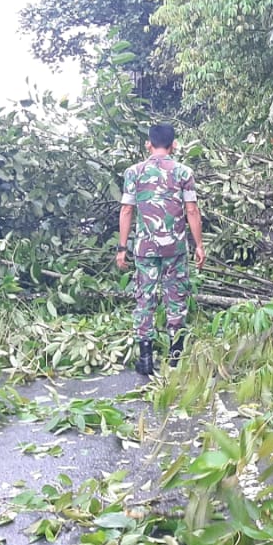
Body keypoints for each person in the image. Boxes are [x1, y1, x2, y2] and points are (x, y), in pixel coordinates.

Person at [116, 123, 205, 375]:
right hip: (175, 248)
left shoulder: (133, 172)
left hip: (145, 249)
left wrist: (122, 248)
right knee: (175, 299)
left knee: (145, 298)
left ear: (148, 144)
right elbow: (192, 211)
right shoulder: (184, 172)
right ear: (174, 144)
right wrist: (199, 245)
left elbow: (126, 210)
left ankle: (145, 359)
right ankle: (175, 358)